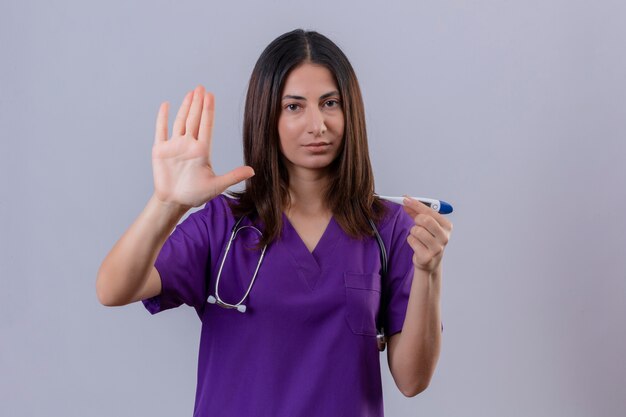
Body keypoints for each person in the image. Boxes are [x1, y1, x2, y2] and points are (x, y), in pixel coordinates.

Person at [96, 29, 452, 416]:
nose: (317, 124)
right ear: (267, 115)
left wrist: (429, 271)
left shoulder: (389, 229)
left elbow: (412, 380)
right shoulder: (223, 226)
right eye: (294, 107)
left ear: (351, 111)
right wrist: (166, 204)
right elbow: (113, 288)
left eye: (330, 103)